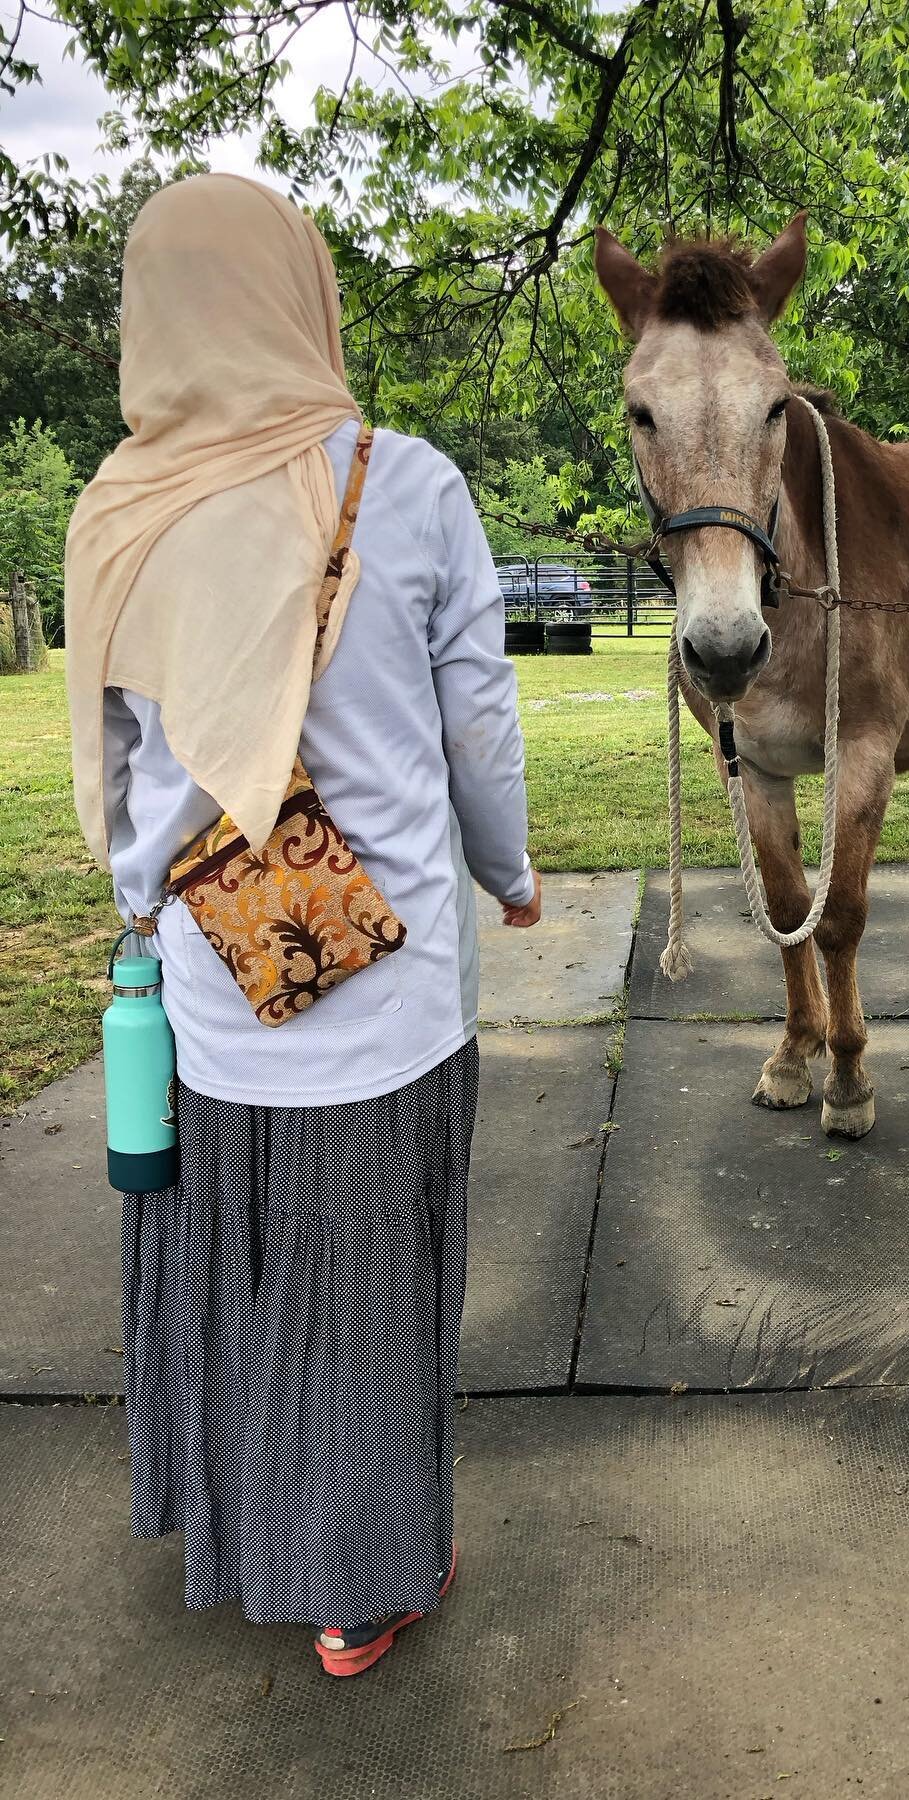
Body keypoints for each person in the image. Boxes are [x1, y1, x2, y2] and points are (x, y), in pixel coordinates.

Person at [63, 174, 539, 1677]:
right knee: (377, 1286)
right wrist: (509, 872)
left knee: (243, 1273)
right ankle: (361, 1582)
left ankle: (239, 1528)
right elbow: (479, 733)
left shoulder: (118, 511)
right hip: (384, 986)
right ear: (299, 292)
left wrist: (149, 906)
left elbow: (117, 769)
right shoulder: (407, 485)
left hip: (216, 984)